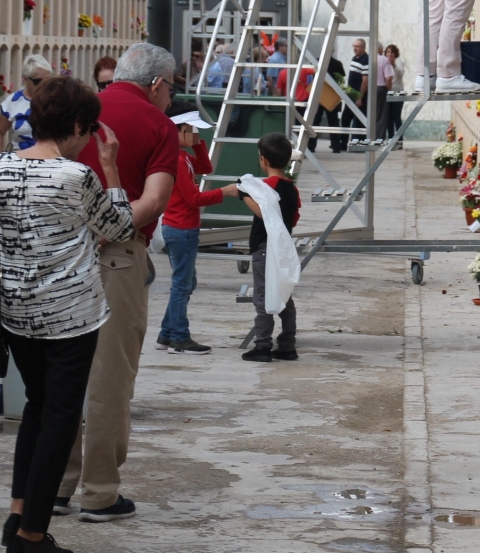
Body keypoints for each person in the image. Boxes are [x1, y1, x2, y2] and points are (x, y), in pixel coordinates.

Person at [0, 76, 136, 553]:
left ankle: (18, 516)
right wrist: (111, 168)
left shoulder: (2, 167)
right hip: (71, 316)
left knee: (36, 408)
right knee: (60, 418)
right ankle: (32, 535)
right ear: (77, 125)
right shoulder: (78, 176)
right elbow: (118, 227)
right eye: (88, 127)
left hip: (18, 313)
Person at [56, 43, 179, 522]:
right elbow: (154, 202)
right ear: (156, 84)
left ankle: (59, 485)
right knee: (109, 378)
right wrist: (112, 229)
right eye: (171, 87)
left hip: (63, 251)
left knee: (64, 372)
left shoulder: (80, 112)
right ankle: (100, 492)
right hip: (117, 258)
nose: (170, 97)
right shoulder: (158, 125)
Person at [155, 101, 225, 355]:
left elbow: (206, 168)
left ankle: (166, 333)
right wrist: (224, 192)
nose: (196, 134)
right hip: (181, 228)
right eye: (191, 130)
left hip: (183, 227)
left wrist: (197, 143)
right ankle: (179, 338)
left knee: (185, 283)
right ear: (177, 130)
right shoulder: (176, 159)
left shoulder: (183, 156)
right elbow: (194, 199)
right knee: (183, 284)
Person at [226, 132, 301, 363]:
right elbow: (295, 216)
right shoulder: (292, 188)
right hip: (283, 246)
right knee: (285, 296)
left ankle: (263, 346)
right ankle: (287, 345)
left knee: (262, 297)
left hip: (264, 247)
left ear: (263, 160)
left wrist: (242, 194)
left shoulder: (265, 186)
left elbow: (262, 211)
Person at [0, 55, 53, 155]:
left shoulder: (57, 99)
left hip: (50, 162)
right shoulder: (13, 101)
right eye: (38, 81)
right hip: (20, 162)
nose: (43, 85)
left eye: (47, 81)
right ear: (25, 79)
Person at [340, 38, 369, 147]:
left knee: (359, 120)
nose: (355, 48)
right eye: (354, 46)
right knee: (345, 118)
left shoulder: (366, 60)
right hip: (351, 94)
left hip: (358, 95)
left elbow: (365, 80)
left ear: (363, 48)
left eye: (357, 46)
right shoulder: (354, 58)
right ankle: (343, 142)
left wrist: (359, 97)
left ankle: (359, 143)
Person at [318, 55, 347, 153]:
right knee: (333, 121)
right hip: (332, 94)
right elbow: (341, 79)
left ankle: (310, 145)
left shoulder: (317, 61)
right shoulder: (337, 63)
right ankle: (336, 146)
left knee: (315, 121)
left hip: (319, 94)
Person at [385, 44, 406, 147]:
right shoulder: (384, 62)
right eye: (388, 52)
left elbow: (400, 74)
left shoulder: (398, 61)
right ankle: (390, 139)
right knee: (388, 118)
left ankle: (399, 140)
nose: (390, 54)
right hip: (388, 93)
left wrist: (393, 65)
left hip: (397, 93)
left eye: (391, 52)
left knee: (396, 117)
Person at [373, 44, 394, 141]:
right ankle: (379, 138)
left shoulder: (369, 59)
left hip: (370, 89)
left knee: (372, 114)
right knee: (381, 115)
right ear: (381, 50)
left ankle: (370, 136)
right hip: (381, 88)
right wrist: (389, 90)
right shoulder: (384, 60)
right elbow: (388, 77)